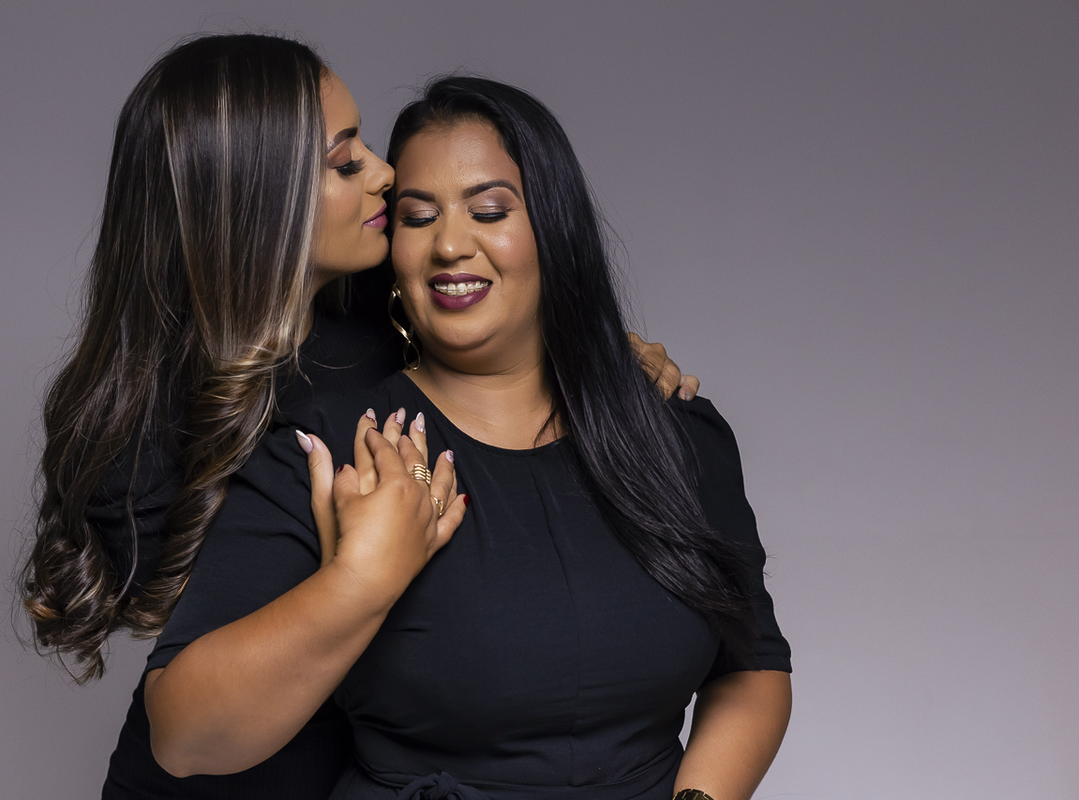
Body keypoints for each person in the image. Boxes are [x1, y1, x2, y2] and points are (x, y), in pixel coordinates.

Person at [18, 35, 694, 798]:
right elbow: (205, 656)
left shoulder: (382, 321)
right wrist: (352, 566)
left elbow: (505, 326)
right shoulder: (141, 424)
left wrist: (602, 359)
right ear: (254, 200)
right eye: (345, 164)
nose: (384, 173)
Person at [138, 76, 791, 800]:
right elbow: (183, 737)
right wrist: (362, 579)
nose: (450, 244)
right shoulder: (338, 447)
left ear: (556, 230)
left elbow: (752, 665)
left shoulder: (678, 435)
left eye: (488, 211)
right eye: (417, 218)